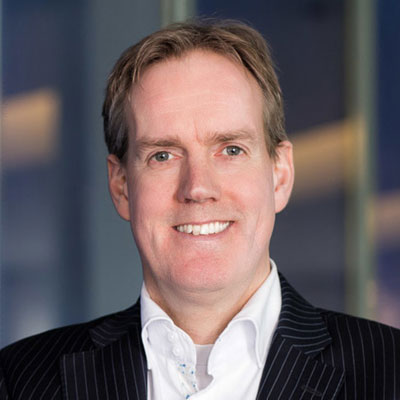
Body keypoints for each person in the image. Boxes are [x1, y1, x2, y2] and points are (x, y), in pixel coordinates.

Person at [0, 19, 399, 400]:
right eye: (162, 155)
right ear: (121, 186)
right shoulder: (21, 381)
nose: (197, 188)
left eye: (231, 150)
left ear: (280, 175)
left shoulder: (392, 371)